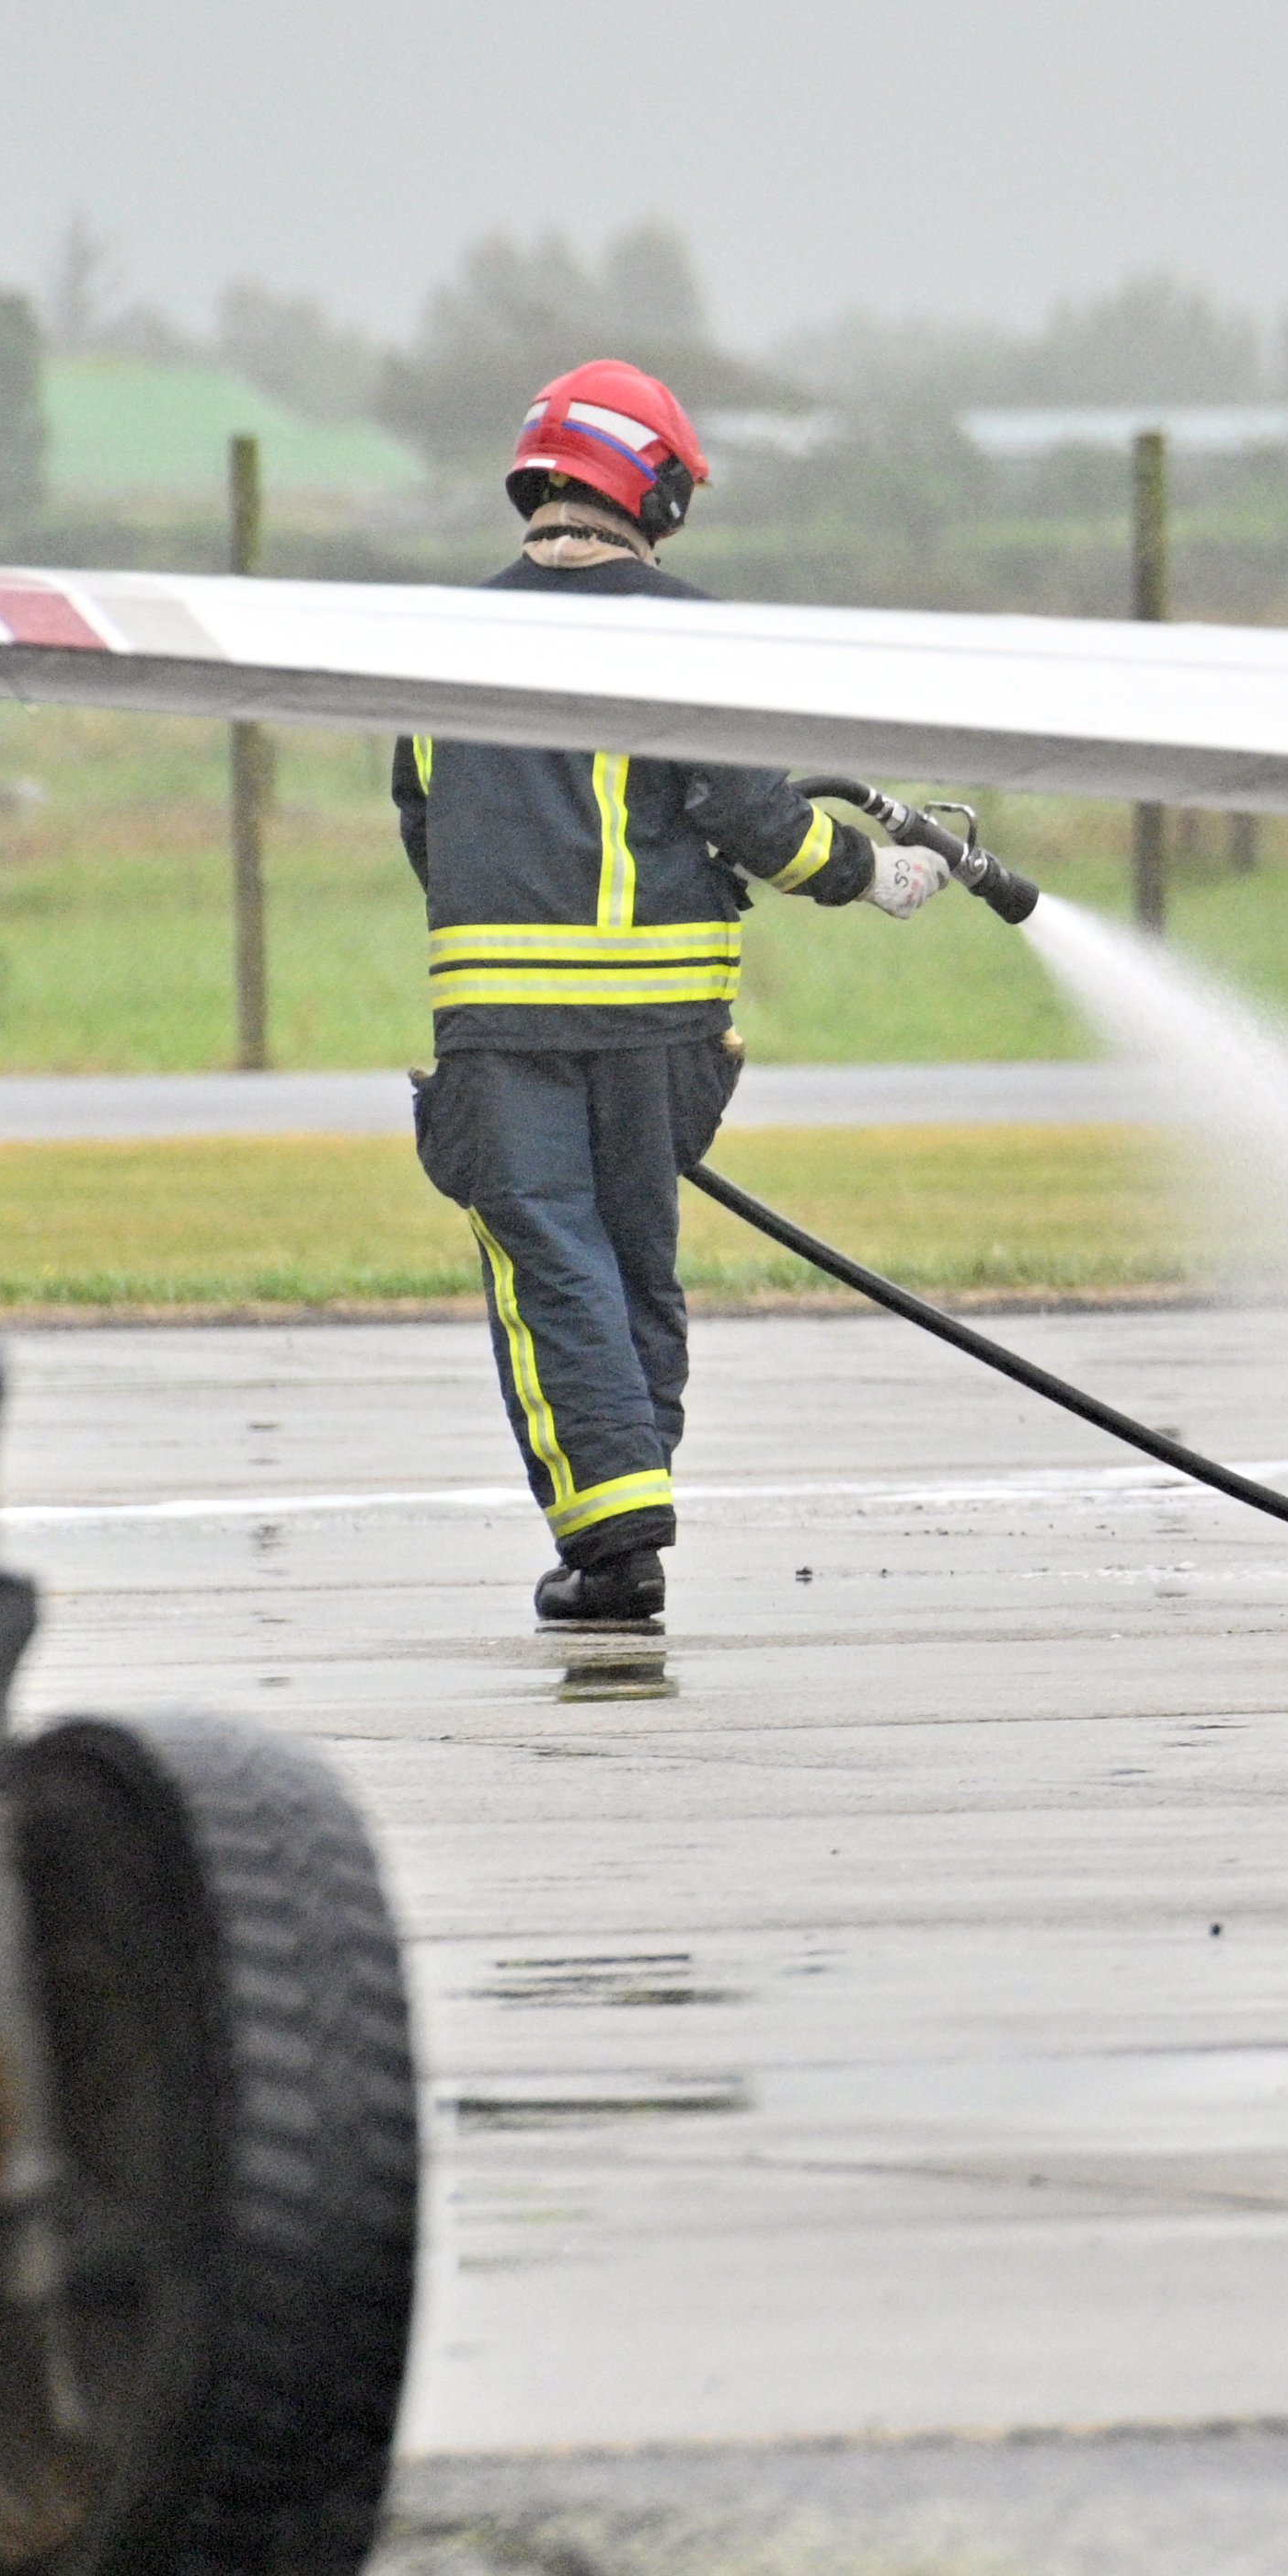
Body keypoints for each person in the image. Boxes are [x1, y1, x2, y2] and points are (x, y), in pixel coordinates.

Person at [397, 361, 960, 1627]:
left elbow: (421, 820)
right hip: (667, 1026)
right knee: (634, 1256)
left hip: (503, 1023)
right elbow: (751, 815)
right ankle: (628, 1500)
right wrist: (871, 873)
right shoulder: (685, 632)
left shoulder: (437, 644)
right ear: (650, 488)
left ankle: (612, 1537)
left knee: (550, 1261)